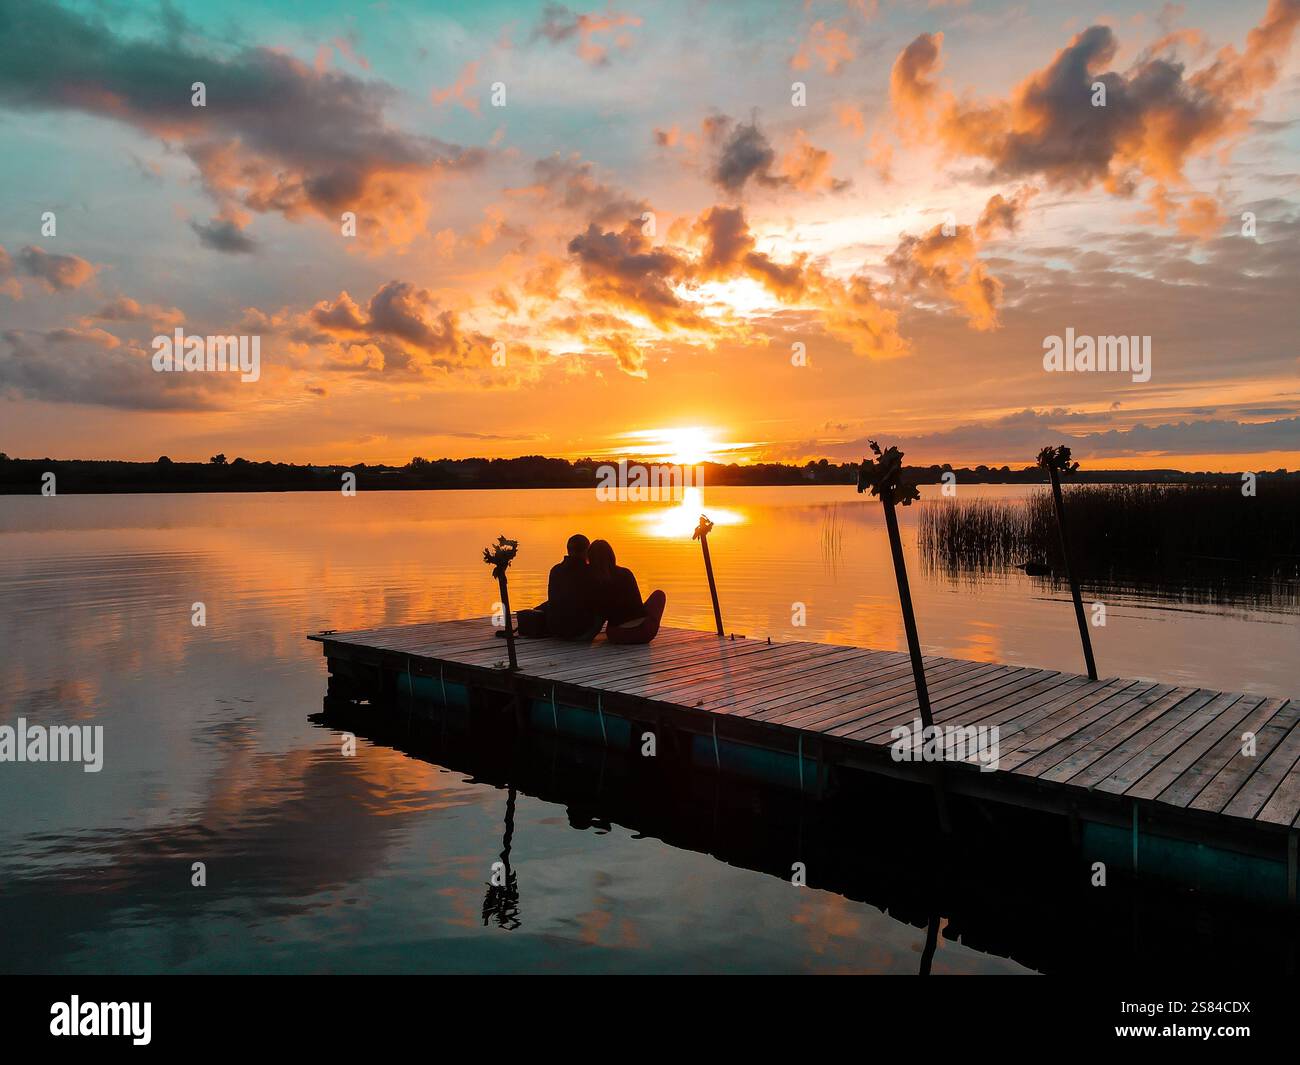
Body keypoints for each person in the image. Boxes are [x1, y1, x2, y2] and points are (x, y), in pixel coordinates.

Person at [586, 539, 666, 645]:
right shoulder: (626, 573)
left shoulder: (594, 581)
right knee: (659, 595)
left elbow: (600, 614)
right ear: (611, 556)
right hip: (644, 633)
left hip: (617, 635)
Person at [544, 534, 602, 640]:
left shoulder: (555, 570)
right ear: (587, 551)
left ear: (568, 550)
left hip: (556, 628)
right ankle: (590, 635)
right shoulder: (590, 571)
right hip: (580, 629)